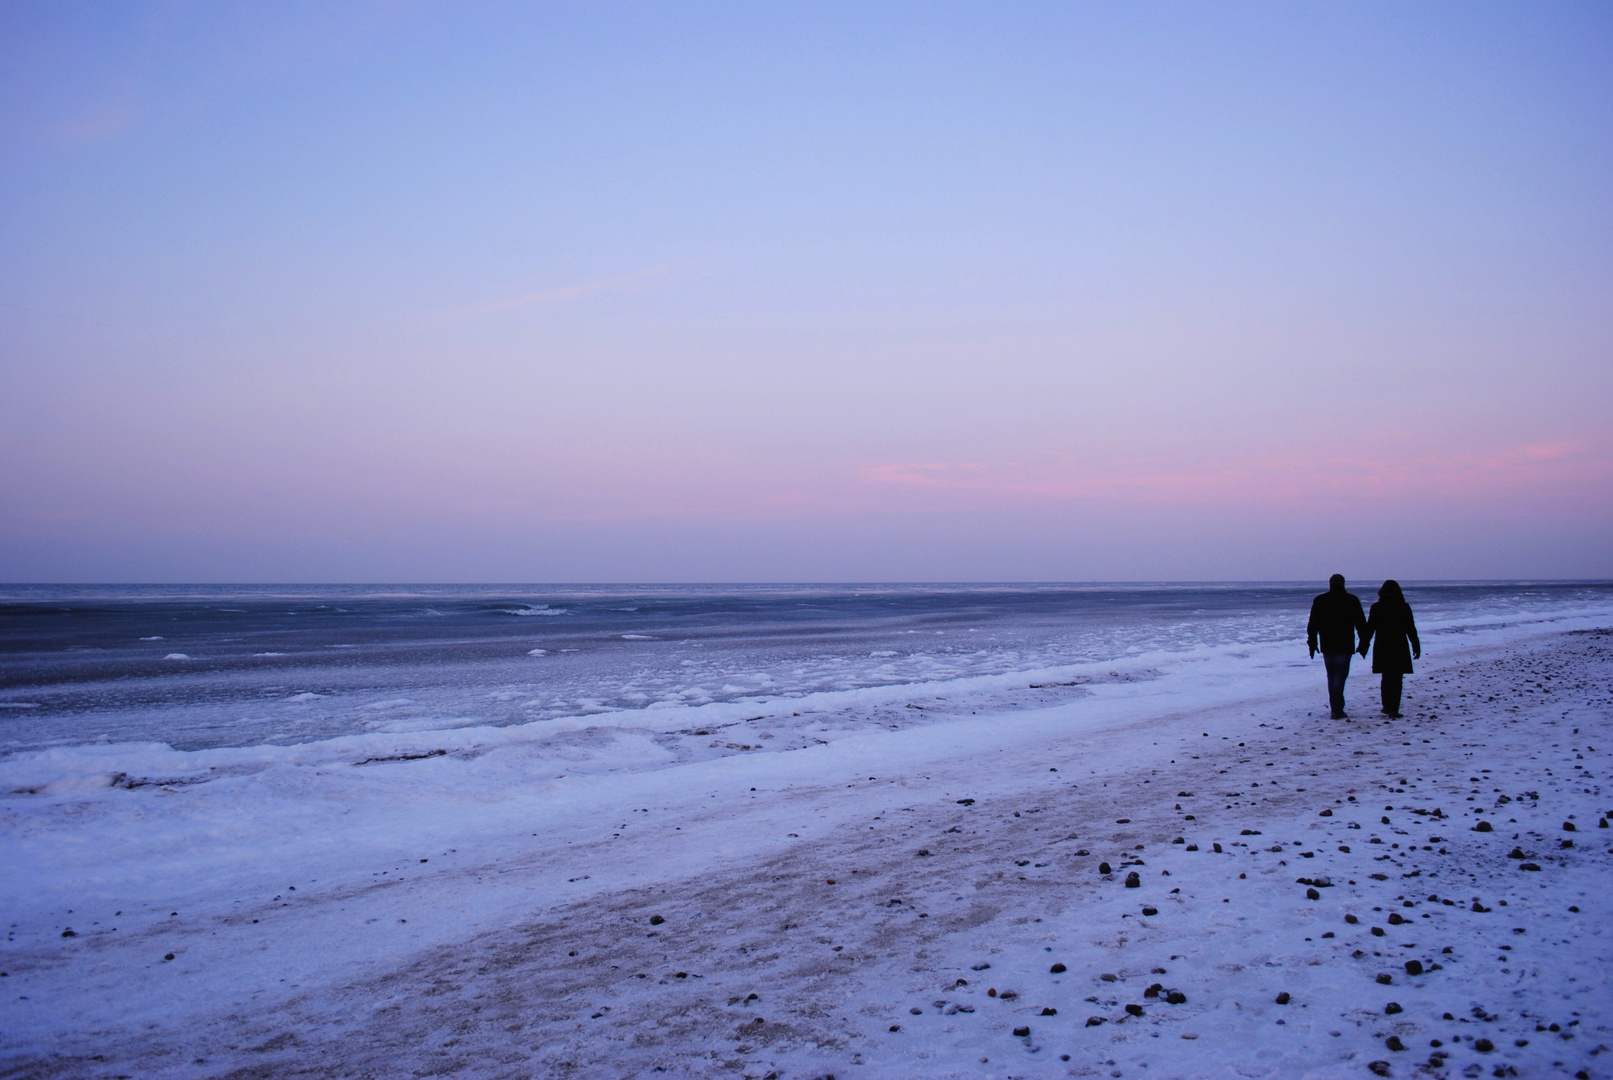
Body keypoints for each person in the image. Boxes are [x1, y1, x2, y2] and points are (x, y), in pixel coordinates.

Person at [1307, 574, 1369, 719]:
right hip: (1344, 644)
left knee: (1332, 676)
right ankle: (1337, 709)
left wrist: (1312, 642)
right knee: (1340, 676)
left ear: (1330, 584)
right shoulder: (1351, 600)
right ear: (1343, 584)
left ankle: (1336, 708)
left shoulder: (1320, 600)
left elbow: (1312, 625)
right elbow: (1360, 624)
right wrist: (1363, 643)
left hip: (1327, 644)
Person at [1362, 579, 1420, 718]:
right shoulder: (1403, 607)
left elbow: (1370, 629)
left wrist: (1364, 645)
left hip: (1382, 645)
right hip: (1399, 645)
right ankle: (1394, 708)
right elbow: (1411, 629)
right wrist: (1416, 645)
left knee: (1386, 677)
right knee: (1397, 678)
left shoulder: (1377, 607)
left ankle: (1386, 706)